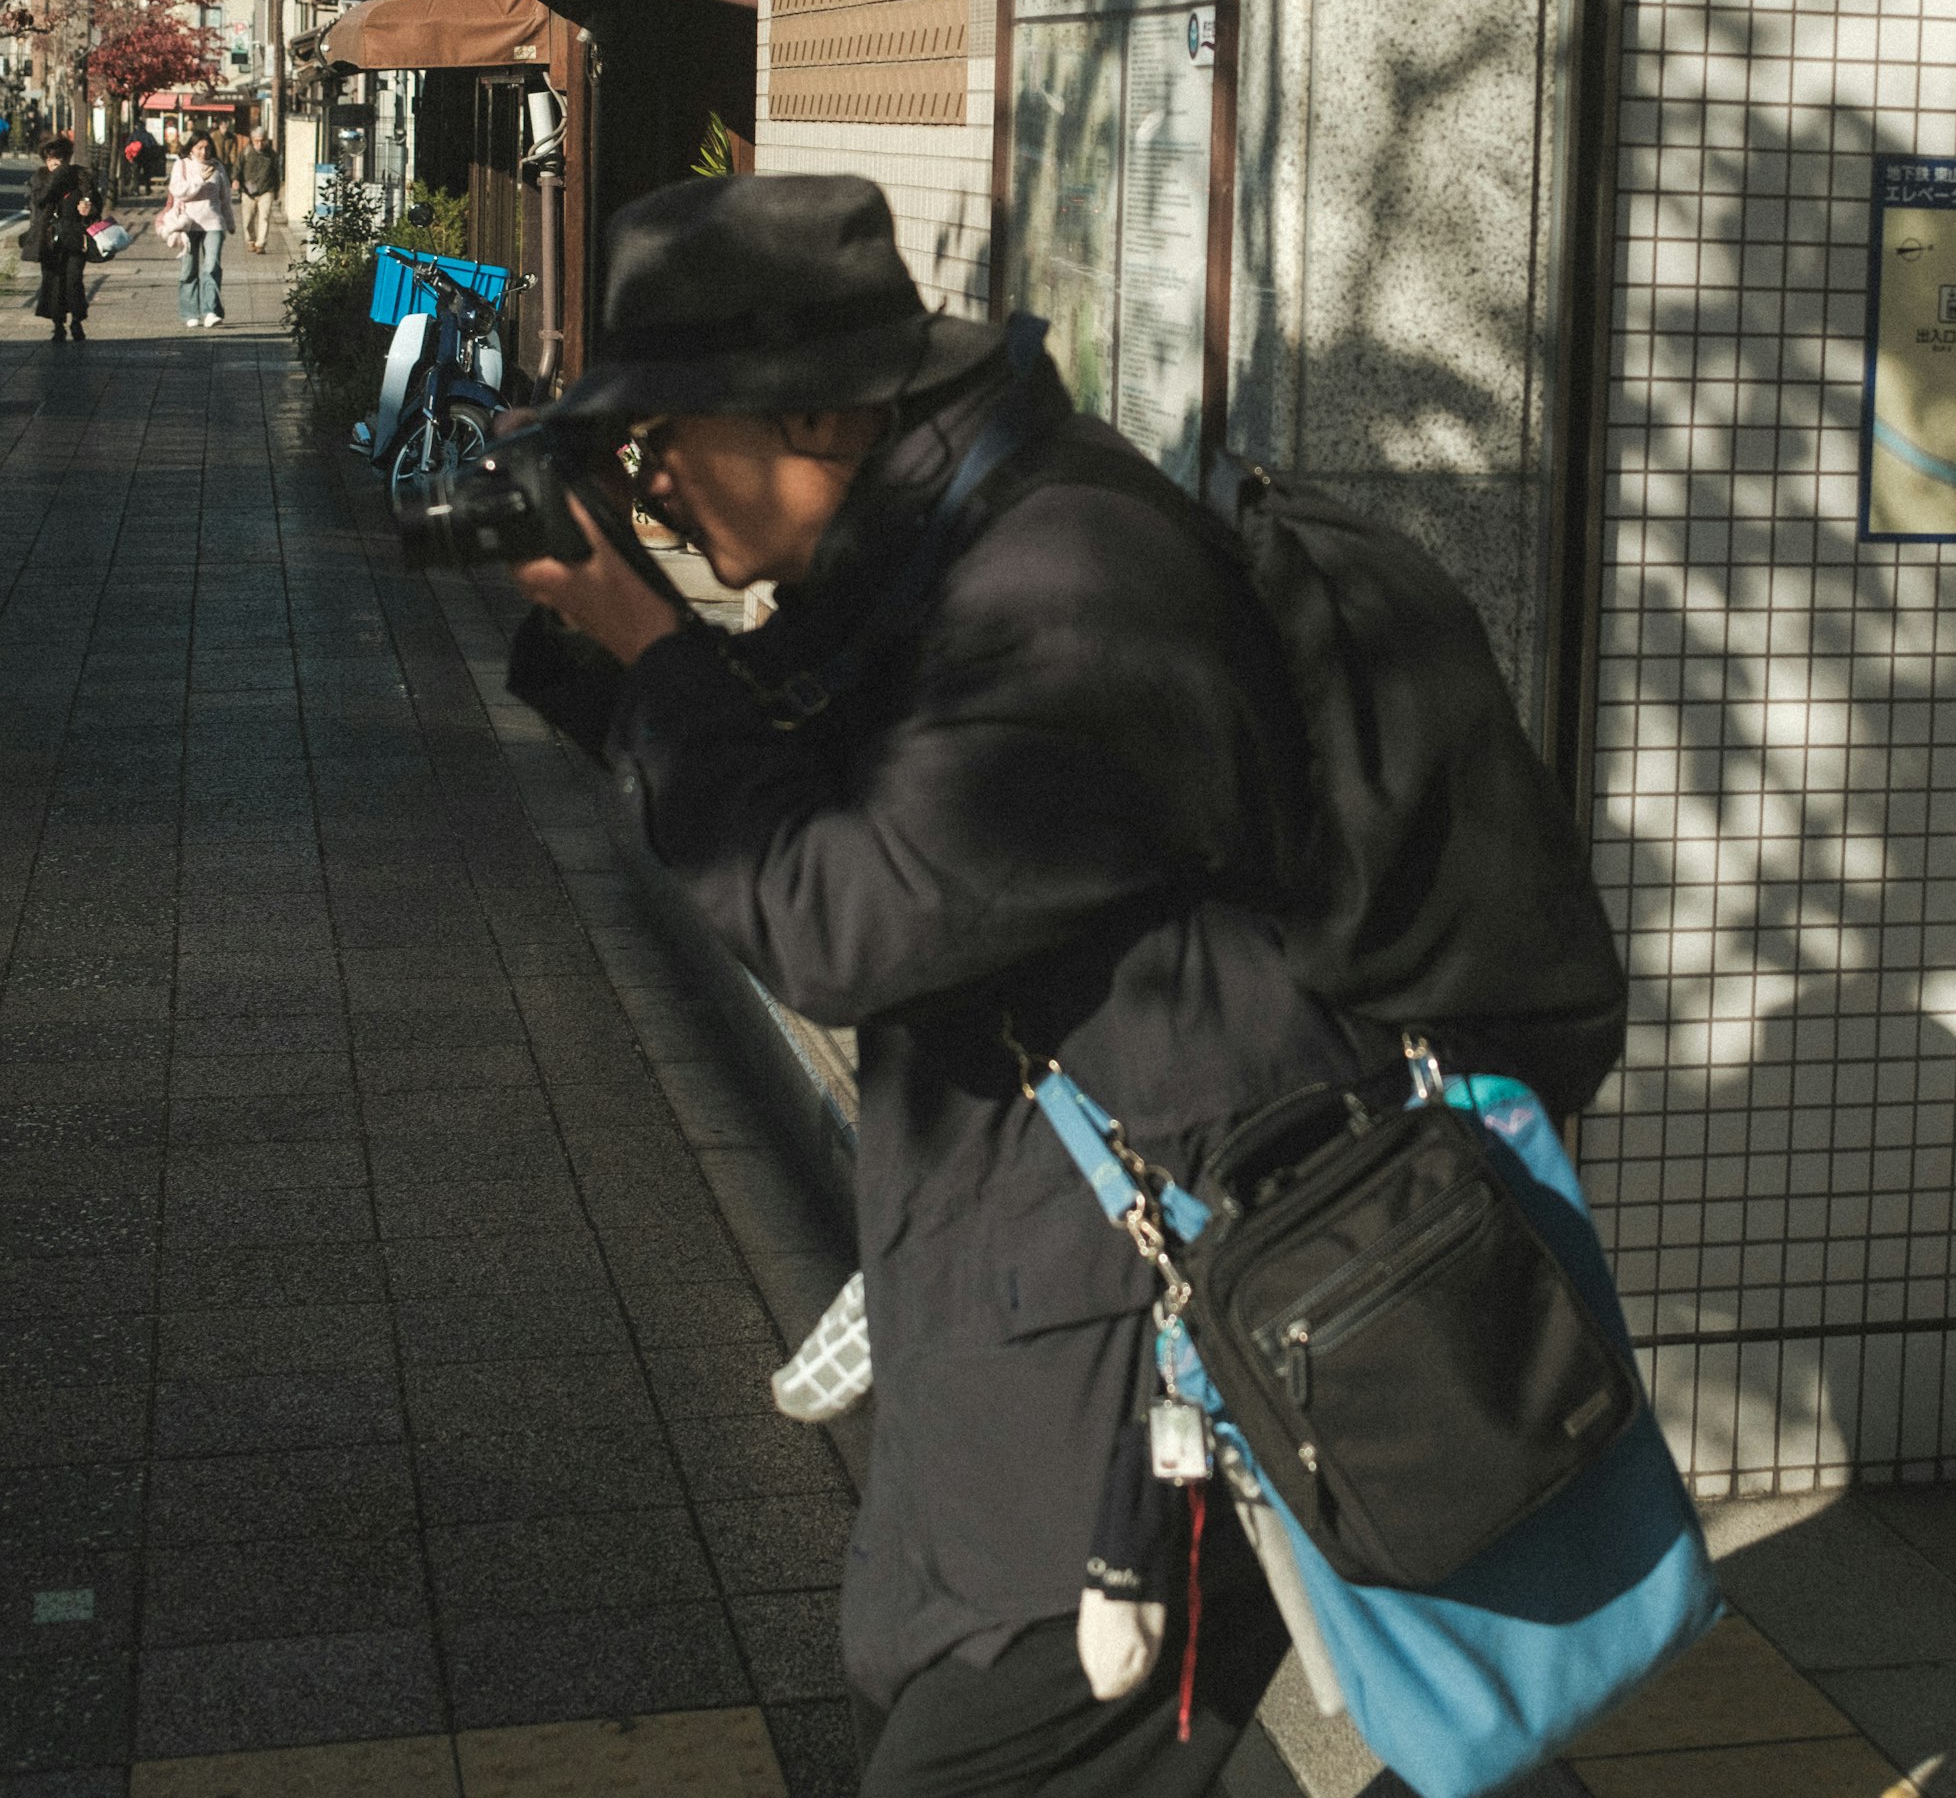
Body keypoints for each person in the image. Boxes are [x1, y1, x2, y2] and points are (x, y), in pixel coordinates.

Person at [504, 176, 1362, 1795]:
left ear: (817, 411)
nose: (657, 480)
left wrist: (666, 659)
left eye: (666, 433)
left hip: (1143, 1368)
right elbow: (810, 789)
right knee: (921, 1696)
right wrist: (608, 651)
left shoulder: (1072, 580)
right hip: (1010, 1306)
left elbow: (844, 917)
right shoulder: (951, 547)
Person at [160, 124, 233, 329]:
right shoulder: (182, 165)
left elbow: (225, 197)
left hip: (213, 223)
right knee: (189, 270)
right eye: (199, 147)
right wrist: (200, 180)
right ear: (191, 147)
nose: (204, 152)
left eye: (207, 148)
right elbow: (178, 191)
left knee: (212, 267)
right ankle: (190, 311)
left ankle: (211, 311)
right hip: (188, 223)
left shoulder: (218, 166)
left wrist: (230, 221)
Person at [25, 133, 92, 341]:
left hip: (74, 236)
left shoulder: (81, 176)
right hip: (48, 238)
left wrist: (88, 206)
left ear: (67, 158)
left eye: (58, 159)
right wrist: (56, 178)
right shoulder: (40, 177)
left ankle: (77, 321)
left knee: (73, 280)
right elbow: (40, 200)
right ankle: (57, 324)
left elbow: (93, 200)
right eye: (49, 159)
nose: (54, 163)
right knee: (53, 280)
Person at [231, 115, 284, 255]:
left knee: (264, 216)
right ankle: (250, 240)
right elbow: (237, 167)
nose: (259, 144)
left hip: (266, 189)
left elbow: (276, 173)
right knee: (248, 219)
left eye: (262, 141)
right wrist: (235, 179)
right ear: (252, 140)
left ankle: (261, 244)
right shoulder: (246, 152)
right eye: (256, 141)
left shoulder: (271, 155)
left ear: (266, 140)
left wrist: (277, 189)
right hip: (248, 190)